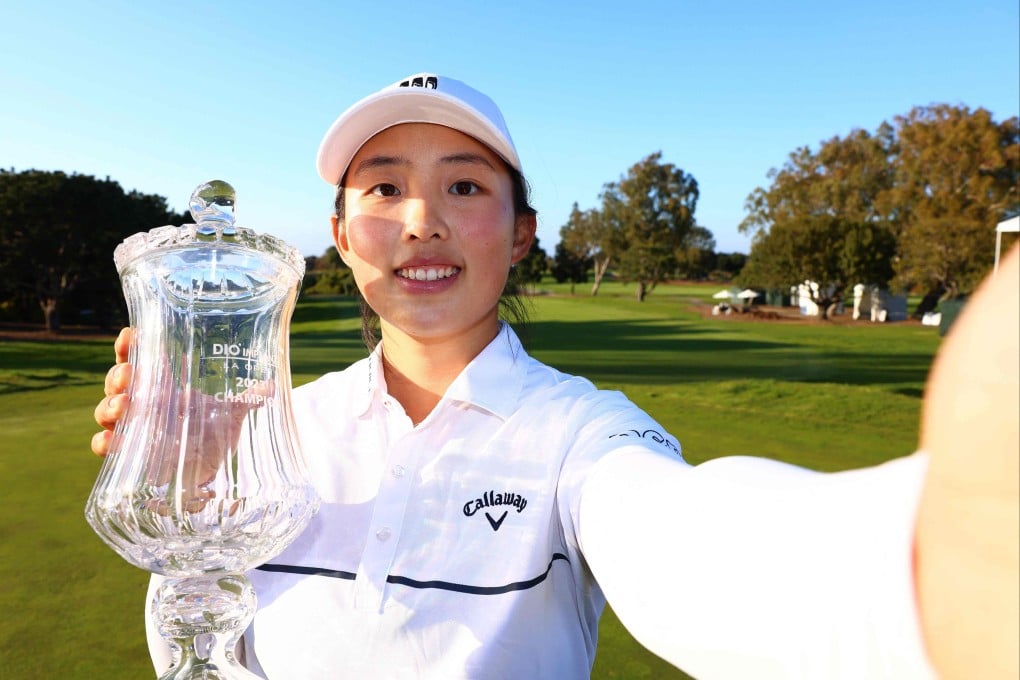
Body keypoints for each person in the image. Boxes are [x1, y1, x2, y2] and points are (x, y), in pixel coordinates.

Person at [92, 73, 1019, 679]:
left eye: (464, 186)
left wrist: (951, 560)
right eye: (382, 187)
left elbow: (687, 545)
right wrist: (200, 502)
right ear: (338, 236)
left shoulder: (582, 434)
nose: (421, 221)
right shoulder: (276, 429)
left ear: (522, 232)